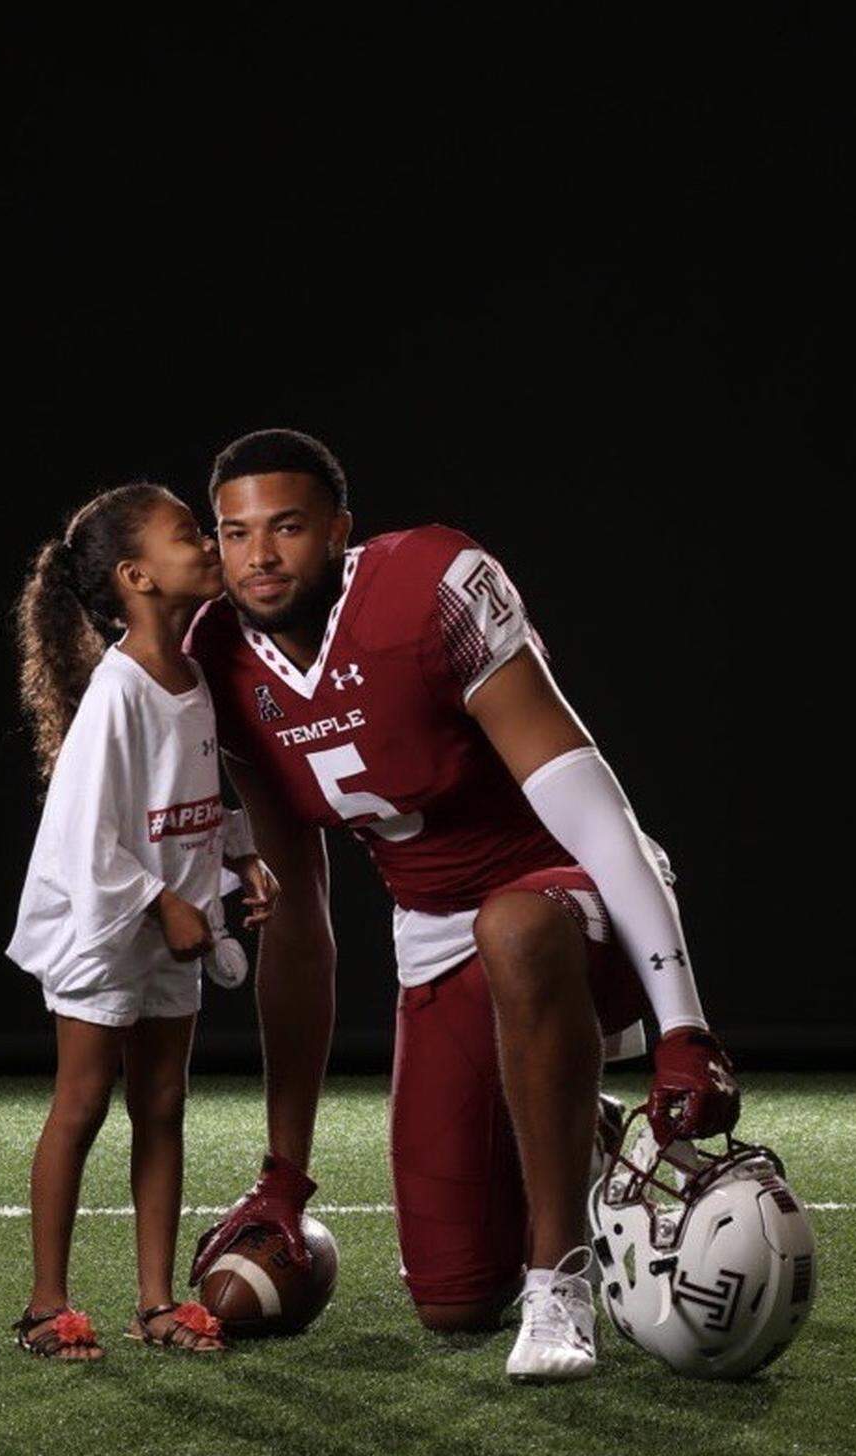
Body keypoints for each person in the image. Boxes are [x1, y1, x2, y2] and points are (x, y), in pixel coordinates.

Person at [185, 429, 740, 1382]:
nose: (260, 557)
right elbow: (303, 928)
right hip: (435, 934)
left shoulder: (431, 585)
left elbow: (592, 805)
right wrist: (284, 1169)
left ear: (339, 533)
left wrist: (683, 1024)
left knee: (514, 922)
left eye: (286, 528)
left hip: (571, 894)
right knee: (449, 1300)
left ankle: (560, 1281)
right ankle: (583, 1126)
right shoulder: (222, 661)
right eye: (235, 535)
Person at [5, 481, 277, 1359]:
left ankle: (155, 1302)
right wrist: (162, 903)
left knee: (164, 1103)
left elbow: (187, 798)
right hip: (101, 925)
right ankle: (48, 1305)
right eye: (187, 534)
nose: (208, 544)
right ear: (136, 577)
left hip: (174, 922)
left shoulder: (191, 676)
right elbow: (88, 842)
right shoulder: (118, 694)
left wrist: (239, 853)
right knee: (83, 1101)